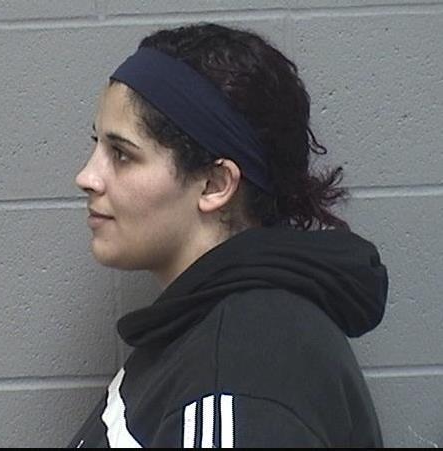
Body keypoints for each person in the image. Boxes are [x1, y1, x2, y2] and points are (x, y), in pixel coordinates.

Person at [69, 22, 388, 448]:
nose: (87, 177)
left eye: (122, 154)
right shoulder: (205, 330)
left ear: (215, 184)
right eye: (98, 145)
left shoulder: (241, 372)